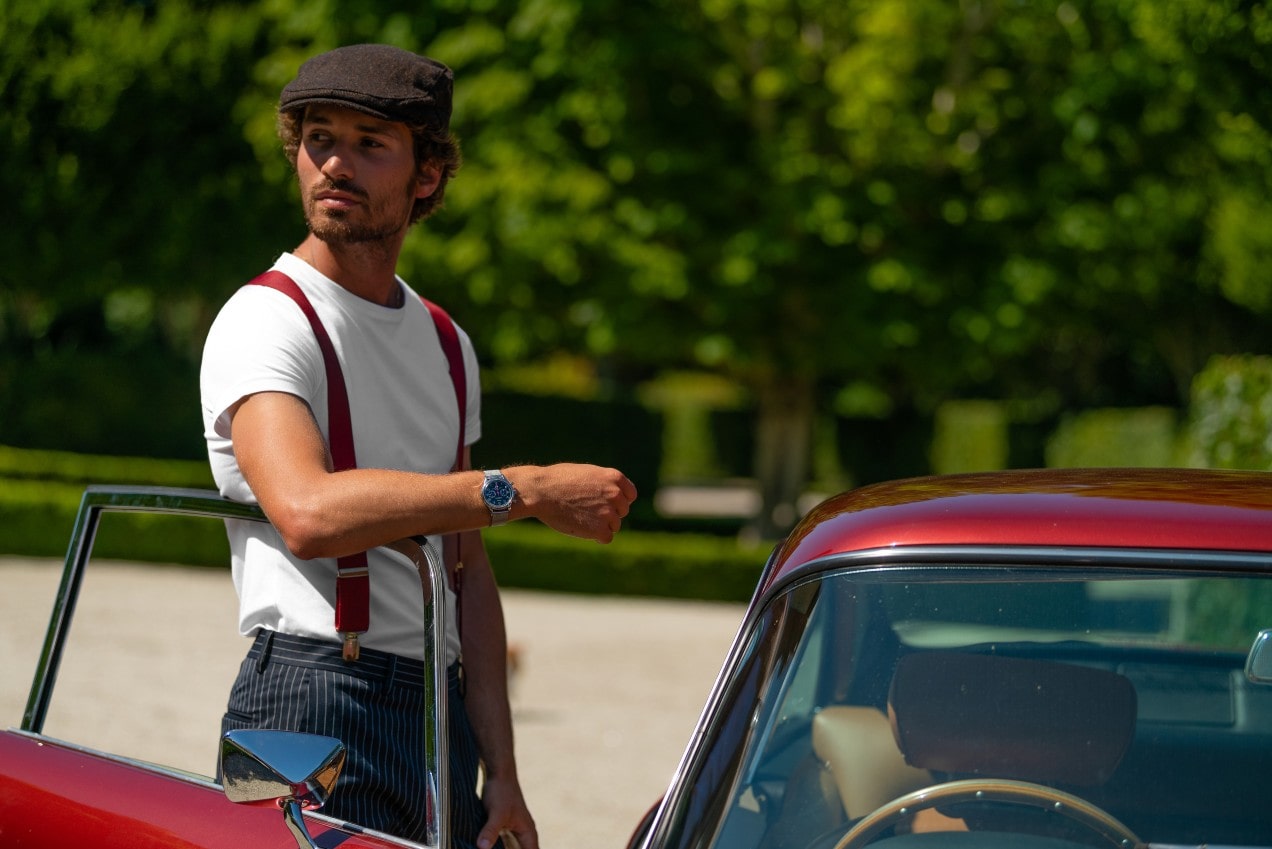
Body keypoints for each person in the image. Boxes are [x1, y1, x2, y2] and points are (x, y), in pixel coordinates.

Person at [199, 43, 637, 849]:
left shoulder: (444, 340)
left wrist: (502, 772)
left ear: (426, 175)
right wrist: (526, 489)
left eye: (371, 144)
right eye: (319, 137)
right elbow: (305, 512)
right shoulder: (265, 318)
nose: (335, 162)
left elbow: (466, 574)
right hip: (303, 693)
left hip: (438, 710)